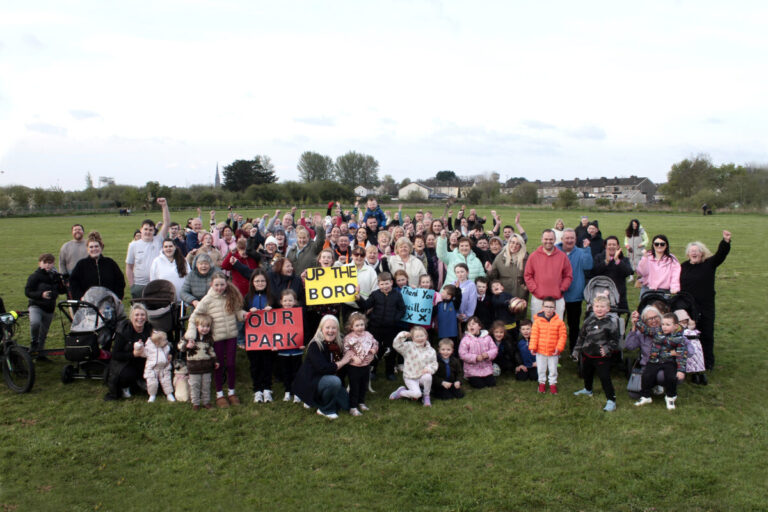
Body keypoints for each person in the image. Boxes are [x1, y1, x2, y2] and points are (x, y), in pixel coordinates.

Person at [184, 272, 245, 408]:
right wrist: (191, 335)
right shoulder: (207, 300)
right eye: (216, 285)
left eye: (222, 284)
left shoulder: (230, 296)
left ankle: (231, 392)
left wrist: (244, 315)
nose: (219, 287)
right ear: (211, 284)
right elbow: (194, 317)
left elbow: (237, 312)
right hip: (217, 338)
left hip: (231, 336)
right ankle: (219, 394)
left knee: (231, 364)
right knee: (219, 365)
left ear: (226, 284)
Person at [680, 230, 731, 371]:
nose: (694, 253)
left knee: (706, 333)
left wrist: (725, 241)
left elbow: (720, 255)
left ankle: (707, 362)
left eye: (697, 251)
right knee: (688, 333)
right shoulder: (683, 266)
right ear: (688, 254)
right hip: (687, 305)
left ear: (702, 253)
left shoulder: (709, 264)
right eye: (691, 251)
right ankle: (688, 361)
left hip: (705, 305)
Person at [292, 315, 355, 419]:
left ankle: (316, 400)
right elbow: (323, 368)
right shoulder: (315, 344)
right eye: (327, 327)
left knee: (346, 405)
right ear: (321, 329)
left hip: (329, 379)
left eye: (334, 328)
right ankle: (325, 409)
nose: (331, 331)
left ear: (337, 329)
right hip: (312, 381)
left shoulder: (339, 342)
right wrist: (343, 362)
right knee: (334, 382)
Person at [572, 296, 621, 411]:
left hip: (601, 357)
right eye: (597, 306)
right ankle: (588, 389)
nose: (599, 309)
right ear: (592, 307)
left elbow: (615, 341)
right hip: (587, 354)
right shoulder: (588, 321)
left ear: (608, 309)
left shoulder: (611, 323)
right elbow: (581, 336)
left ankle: (611, 399)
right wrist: (576, 350)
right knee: (586, 373)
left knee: (604, 377)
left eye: (602, 307)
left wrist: (607, 349)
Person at [355, 272, 406, 381]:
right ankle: (373, 370)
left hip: (391, 328)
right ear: (378, 285)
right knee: (373, 349)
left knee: (391, 351)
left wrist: (394, 319)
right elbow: (366, 305)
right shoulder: (375, 294)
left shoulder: (397, 295)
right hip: (375, 328)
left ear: (391, 283)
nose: (385, 286)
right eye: (382, 284)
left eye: (387, 284)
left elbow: (402, 309)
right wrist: (358, 298)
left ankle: (390, 372)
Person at [634, 312, 687, 410]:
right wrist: (637, 320)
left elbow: (681, 355)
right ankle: (646, 396)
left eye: (667, 325)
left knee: (671, 377)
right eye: (663, 324)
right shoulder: (657, 331)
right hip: (654, 359)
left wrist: (681, 370)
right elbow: (645, 330)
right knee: (646, 376)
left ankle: (670, 397)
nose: (664, 327)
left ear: (675, 326)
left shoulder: (679, 338)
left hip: (669, 361)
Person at [556, 228, 593, 352]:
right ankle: (554, 349)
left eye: (572, 238)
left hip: (574, 295)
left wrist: (587, 250)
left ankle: (574, 349)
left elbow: (588, 266)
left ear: (576, 239)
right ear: (562, 239)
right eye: (567, 238)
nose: (569, 240)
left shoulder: (581, 252)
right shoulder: (556, 250)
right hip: (557, 295)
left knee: (574, 325)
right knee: (556, 325)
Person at [104, 304, 152, 401]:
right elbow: (115, 354)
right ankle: (125, 387)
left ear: (146, 317)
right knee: (127, 375)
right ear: (131, 317)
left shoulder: (149, 328)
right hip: (126, 362)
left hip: (145, 360)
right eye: (136, 315)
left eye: (142, 315)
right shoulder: (123, 331)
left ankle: (141, 381)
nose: (140, 318)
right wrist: (133, 354)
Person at [126, 197, 170, 298]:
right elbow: (129, 267)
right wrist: (132, 285)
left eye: (151, 230)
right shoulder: (133, 245)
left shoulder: (158, 240)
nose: (148, 232)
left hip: (156, 283)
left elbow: (167, 222)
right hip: (139, 285)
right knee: (140, 311)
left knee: (155, 311)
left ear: (154, 231)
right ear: (141, 230)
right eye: (145, 229)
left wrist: (164, 206)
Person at [25, 253, 67, 360]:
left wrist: (63, 283)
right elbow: (28, 291)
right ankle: (34, 342)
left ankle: (40, 353)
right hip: (36, 306)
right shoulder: (35, 276)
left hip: (49, 308)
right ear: (40, 263)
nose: (48, 265)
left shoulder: (55, 277)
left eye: (50, 263)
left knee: (43, 333)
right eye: (45, 263)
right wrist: (41, 295)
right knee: (35, 323)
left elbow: (62, 291)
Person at [244, 269, 276, 403]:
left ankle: (267, 389)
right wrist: (248, 313)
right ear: (252, 282)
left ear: (267, 282)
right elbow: (242, 315)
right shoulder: (248, 297)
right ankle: (257, 389)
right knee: (255, 364)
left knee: (267, 363)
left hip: (269, 338)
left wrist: (273, 310)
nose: (260, 283)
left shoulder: (272, 297)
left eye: (263, 280)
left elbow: (280, 316)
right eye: (257, 281)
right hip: (253, 338)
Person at [523, 229, 572, 319]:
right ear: (542, 239)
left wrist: (561, 289)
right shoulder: (534, 256)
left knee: (556, 326)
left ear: (555, 240)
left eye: (551, 239)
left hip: (557, 298)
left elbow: (568, 275)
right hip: (539, 298)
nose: (548, 241)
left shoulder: (562, 256)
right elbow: (528, 275)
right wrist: (535, 289)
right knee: (538, 326)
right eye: (546, 239)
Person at [389, 326, 438, 406]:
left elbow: (434, 363)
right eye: (417, 336)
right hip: (410, 377)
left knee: (428, 376)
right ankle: (401, 392)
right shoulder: (408, 346)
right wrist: (403, 335)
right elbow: (396, 345)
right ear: (412, 338)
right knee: (417, 394)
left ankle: (426, 396)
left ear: (426, 336)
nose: (420, 338)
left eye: (422, 336)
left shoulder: (431, 350)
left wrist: (429, 369)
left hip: (422, 376)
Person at [69, 231, 126, 300]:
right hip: (88, 303)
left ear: (101, 248)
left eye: (96, 246)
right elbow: (73, 283)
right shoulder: (81, 265)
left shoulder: (110, 263)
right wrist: (81, 297)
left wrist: (117, 297)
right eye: (91, 247)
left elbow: (120, 281)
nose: (94, 249)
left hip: (108, 303)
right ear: (87, 249)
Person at [178, 313, 218, 410]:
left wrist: (215, 361)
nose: (205, 329)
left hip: (206, 367)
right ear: (196, 326)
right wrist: (186, 346)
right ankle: (195, 403)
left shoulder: (209, 338)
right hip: (193, 367)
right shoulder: (189, 337)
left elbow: (211, 351)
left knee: (206, 386)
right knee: (194, 385)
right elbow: (179, 346)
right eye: (202, 326)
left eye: (207, 326)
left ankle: (206, 402)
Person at [342, 312, 378, 416]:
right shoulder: (349, 338)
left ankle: (361, 402)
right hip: (354, 366)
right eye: (357, 325)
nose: (360, 327)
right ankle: (353, 406)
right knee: (355, 386)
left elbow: (375, 343)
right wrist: (353, 357)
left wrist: (373, 349)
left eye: (362, 325)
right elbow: (346, 350)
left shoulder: (368, 335)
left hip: (366, 365)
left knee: (364, 385)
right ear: (351, 327)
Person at [529, 297, 567, 394]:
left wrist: (558, 348)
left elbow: (563, 336)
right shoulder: (537, 321)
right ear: (542, 307)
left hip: (553, 351)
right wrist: (533, 347)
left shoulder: (559, 322)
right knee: (541, 368)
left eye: (551, 307)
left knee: (553, 369)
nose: (549, 309)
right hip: (540, 350)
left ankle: (552, 384)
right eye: (547, 306)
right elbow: (534, 335)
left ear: (555, 308)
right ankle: (541, 383)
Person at [274, 290, 305, 403]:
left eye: (290, 300)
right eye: (285, 300)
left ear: (295, 301)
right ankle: (287, 391)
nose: (288, 302)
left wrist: (303, 342)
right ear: (281, 302)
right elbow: (275, 331)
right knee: (285, 372)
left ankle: (297, 392)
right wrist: (276, 344)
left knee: (296, 372)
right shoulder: (277, 315)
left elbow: (303, 329)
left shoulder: (299, 314)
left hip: (297, 350)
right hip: (283, 351)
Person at [591, 236, 633, 310]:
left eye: (614, 245)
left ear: (618, 246)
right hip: (602, 293)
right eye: (609, 245)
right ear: (605, 246)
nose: (611, 247)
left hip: (619, 293)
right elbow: (595, 272)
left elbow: (628, 272)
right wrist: (606, 262)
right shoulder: (598, 257)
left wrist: (617, 260)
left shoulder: (624, 259)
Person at [133, 330, 176, 403]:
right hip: (152, 369)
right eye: (164, 340)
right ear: (157, 342)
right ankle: (152, 395)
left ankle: (169, 394)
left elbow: (172, 350)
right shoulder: (149, 348)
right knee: (152, 383)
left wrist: (171, 354)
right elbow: (142, 353)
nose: (166, 341)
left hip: (164, 368)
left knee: (166, 381)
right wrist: (138, 345)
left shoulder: (166, 347)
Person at [458, 316, 498, 388]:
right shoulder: (465, 339)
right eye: (469, 324)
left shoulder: (487, 337)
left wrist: (488, 355)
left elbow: (494, 349)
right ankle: (469, 377)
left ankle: (488, 375)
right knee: (479, 385)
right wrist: (475, 358)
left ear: (479, 326)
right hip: (472, 370)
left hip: (486, 368)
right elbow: (462, 354)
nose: (471, 326)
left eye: (473, 324)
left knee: (491, 383)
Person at [489, 233, 529, 303]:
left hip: (520, 294)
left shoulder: (525, 259)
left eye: (517, 244)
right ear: (509, 243)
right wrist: (489, 270)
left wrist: (525, 288)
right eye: (512, 242)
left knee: (519, 312)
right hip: (504, 293)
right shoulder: (500, 257)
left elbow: (530, 276)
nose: (514, 246)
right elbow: (493, 277)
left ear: (521, 246)